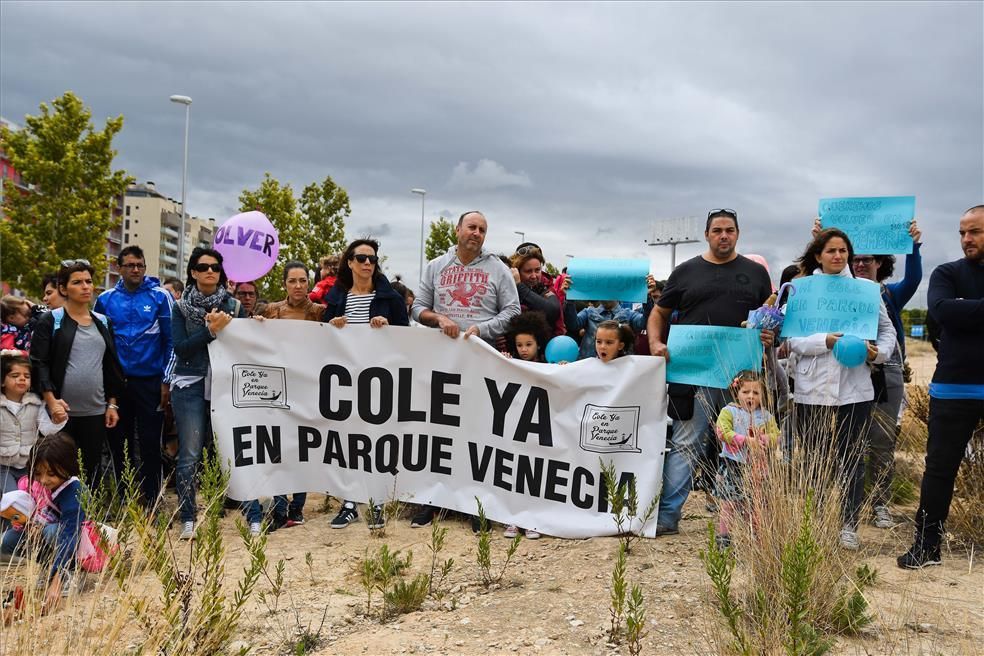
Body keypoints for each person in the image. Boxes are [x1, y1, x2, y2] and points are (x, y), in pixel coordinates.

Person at [647, 209, 774, 536]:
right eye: (717, 230)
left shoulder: (755, 273)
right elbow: (658, 313)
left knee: (747, 445)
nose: (723, 236)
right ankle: (667, 516)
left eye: (729, 230)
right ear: (707, 234)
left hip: (743, 381)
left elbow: (768, 318)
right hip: (694, 376)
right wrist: (656, 342)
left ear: (738, 233)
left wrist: (770, 334)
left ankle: (748, 522)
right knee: (686, 444)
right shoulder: (685, 271)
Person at [410, 210, 521, 527]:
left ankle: (477, 503)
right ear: (457, 230)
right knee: (438, 428)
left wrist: (480, 329)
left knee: (479, 430)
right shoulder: (436, 266)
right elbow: (418, 307)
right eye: (471, 227)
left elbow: (512, 311)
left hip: (481, 356)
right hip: (442, 359)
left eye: (483, 230)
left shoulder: (497, 268)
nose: (476, 233)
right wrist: (439, 319)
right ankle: (431, 500)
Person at [787, 228, 896, 550]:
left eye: (843, 251)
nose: (838, 256)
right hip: (812, 386)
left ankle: (849, 523)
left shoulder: (865, 290)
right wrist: (825, 341)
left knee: (851, 457)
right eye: (831, 251)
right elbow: (791, 340)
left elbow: (887, 329)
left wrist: (880, 353)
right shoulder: (802, 290)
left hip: (855, 386)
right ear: (818, 255)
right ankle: (817, 519)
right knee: (816, 457)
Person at [898, 206, 984, 569]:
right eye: (963, 232)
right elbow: (942, 312)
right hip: (954, 388)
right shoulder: (947, 272)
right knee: (939, 470)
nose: (967, 239)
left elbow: (956, 314)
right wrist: (956, 311)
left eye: (975, 232)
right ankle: (927, 546)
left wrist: (968, 310)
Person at [323, 240, 409, 530]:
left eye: (372, 258)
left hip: (379, 378)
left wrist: (388, 329)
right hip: (346, 380)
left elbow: (406, 339)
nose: (367, 263)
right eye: (360, 258)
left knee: (377, 440)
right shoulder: (337, 297)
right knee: (348, 441)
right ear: (349, 262)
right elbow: (321, 338)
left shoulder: (389, 298)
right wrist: (332, 326)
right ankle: (350, 503)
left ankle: (377, 503)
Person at [168, 248, 246, 540]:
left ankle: (228, 509)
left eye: (215, 266)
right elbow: (181, 347)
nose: (210, 271)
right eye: (203, 267)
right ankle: (188, 516)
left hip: (225, 385)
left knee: (226, 451)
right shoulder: (179, 307)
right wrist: (211, 331)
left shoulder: (235, 306)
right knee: (189, 454)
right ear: (193, 272)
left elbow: (246, 345)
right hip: (189, 385)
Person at [851, 222, 923, 529]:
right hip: (849, 371)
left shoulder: (890, 293)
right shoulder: (842, 294)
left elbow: (915, 278)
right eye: (856, 259)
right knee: (850, 441)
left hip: (887, 372)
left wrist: (915, 247)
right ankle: (849, 505)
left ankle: (880, 503)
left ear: (881, 263)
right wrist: (818, 241)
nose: (861, 264)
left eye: (868, 259)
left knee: (881, 442)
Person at [30, 260, 125, 488]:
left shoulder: (102, 322)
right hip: (60, 414)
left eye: (89, 282)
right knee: (58, 471)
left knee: (90, 472)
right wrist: (52, 402)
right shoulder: (51, 320)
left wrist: (112, 404)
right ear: (64, 289)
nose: (85, 287)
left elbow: (111, 366)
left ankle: (86, 521)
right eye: (77, 282)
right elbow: (39, 363)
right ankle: (57, 521)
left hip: (94, 412)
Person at [94, 246, 173, 507]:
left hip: (150, 382)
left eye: (140, 264)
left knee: (151, 443)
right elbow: (99, 343)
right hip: (117, 385)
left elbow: (171, 342)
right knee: (119, 443)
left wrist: (166, 380)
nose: (136, 269)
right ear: (119, 268)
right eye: (130, 265)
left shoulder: (160, 297)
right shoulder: (105, 300)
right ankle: (125, 497)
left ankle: (153, 498)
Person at [250, 261, 326, 530]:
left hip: (307, 388)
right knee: (279, 449)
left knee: (303, 448)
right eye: (292, 281)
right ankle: (280, 509)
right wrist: (256, 326)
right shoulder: (271, 311)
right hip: (277, 390)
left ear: (309, 282)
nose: (298, 286)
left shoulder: (319, 312)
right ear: (284, 284)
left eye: (303, 280)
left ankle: (298, 507)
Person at [0, 433, 88, 612]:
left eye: (51, 474)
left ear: (68, 467)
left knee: (52, 532)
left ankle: (69, 572)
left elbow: (69, 537)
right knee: (8, 540)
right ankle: (49, 566)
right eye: (39, 473)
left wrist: (55, 584)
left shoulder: (74, 491)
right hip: (45, 532)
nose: (44, 480)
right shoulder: (36, 484)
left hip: (76, 543)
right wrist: (28, 524)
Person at [712, 370, 779, 549]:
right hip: (733, 464)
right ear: (737, 392)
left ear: (762, 395)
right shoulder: (729, 411)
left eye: (756, 393)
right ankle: (724, 538)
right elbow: (722, 432)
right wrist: (746, 441)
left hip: (757, 468)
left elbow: (777, 436)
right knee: (729, 503)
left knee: (755, 505)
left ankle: (756, 539)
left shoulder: (766, 416)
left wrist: (765, 439)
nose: (751, 396)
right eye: (746, 392)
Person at [500, 311, 551, 540]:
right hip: (513, 428)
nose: (523, 349)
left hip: (538, 430)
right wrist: (503, 363)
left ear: (538, 344)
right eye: (519, 344)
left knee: (535, 474)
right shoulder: (508, 363)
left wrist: (562, 368)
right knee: (513, 472)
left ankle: (533, 520)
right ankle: (513, 519)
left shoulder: (547, 366)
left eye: (529, 344)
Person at [1, 351, 66, 494]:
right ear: (2, 381)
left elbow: (46, 430)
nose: (22, 379)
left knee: (34, 498)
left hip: (29, 465)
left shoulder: (36, 403)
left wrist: (58, 420)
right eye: (15, 376)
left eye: (27, 376)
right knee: (11, 498)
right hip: (3, 465)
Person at [562, 288, 651, 360]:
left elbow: (645, 323)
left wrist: (646, 296)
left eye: (609, 288)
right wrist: (569, 299)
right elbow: (573, 325)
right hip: (590, 370)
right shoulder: (589, 312)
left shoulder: (629, 314)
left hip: (621, 372)